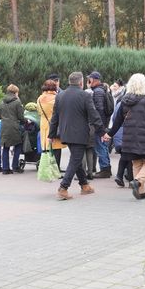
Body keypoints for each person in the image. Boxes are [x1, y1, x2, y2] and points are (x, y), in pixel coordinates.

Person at [48, 72, 104, 200]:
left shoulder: (60, 95)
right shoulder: (85, 95)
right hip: (79, 134)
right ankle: (63, 188)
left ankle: (84, 185)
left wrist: (51, 135)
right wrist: (102, 131)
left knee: (76, 159)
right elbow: (94, 115)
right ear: (81, 82)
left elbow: (54, 118)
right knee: (75, 160)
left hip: (65, 133)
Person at [108, 73, 145, 199]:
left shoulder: (124, 101)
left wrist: (109, 134)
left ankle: (140, 192)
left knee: (137, 162)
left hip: (129, 137)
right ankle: (137, 182)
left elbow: (117, 121)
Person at [87, 71, 113, 179]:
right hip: (102, 124)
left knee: (101, 146)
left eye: (89, 79)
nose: (88, 81)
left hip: (99, 125)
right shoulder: (101, 90)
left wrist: (99, 126)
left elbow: (99, 110)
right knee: (103, 146)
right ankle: (106, 169)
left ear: (94, 80)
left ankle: (105, 170)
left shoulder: (97, 92)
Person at [37, 80, 66, 171]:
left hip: (44, 124)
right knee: (56, 148)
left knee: (46, 148)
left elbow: (39, 111)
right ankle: (55, 169)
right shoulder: (57, 98)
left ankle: (47, 168)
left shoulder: (40, 98)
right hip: (55, 125)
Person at [0, 84, 25, 174]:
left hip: (4, 126)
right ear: (15, 92)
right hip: (14, 126)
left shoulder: (2, 102)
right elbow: (21, 116)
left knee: (5, 147)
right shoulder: (17, 102)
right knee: (18, 145)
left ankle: (5, 168)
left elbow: (0, 115)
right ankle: (15, 166)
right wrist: (26, 121)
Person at [110, 99, 133, 188]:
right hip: (129, 132)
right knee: (130, 156)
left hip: (119, 132)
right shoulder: (138, 102)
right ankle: (130, 179)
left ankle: (119, 176)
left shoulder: (120, 103)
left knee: (124, 155)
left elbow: (114, 118)